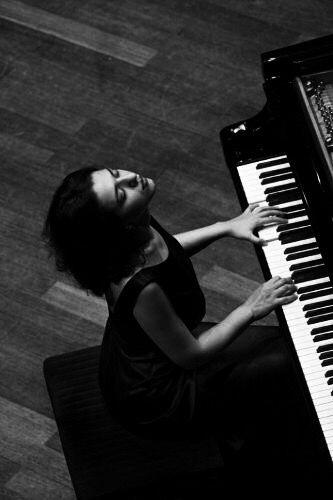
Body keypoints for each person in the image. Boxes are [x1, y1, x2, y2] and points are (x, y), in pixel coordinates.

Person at [43, 166, 324, 492]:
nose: (130, 179)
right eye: (121, 194)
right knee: (289, 360)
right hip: (161, 392)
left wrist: (226, 227)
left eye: (115, 173)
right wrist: (251, 307)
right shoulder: (141, 288)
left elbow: (166, 248)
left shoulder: (136, 231)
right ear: (118, 225)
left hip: (155, 350)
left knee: (283, 356)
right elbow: (192, 355)